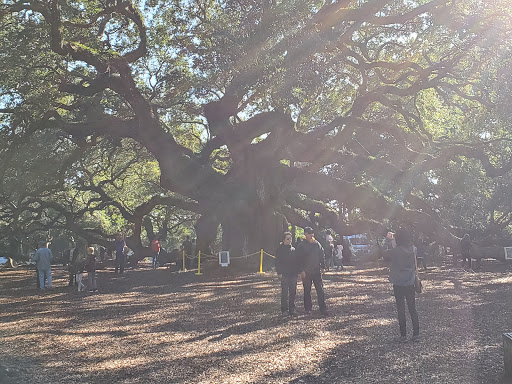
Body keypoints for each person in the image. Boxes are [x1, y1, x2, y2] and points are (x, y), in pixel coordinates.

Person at [389, 226, 420, 343]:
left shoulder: (396, 250)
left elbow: (389, 253)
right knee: (412, 308)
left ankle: (403, 335)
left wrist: (390, 239)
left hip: (398, 282)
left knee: (400, 309)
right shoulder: (414, 249)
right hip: (410, 281)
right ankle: (416, 333)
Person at [297, 227, 328, 316]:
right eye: (309, 233)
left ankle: (323, 308)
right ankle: (308, 308)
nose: (311, 235)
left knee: (320, 290)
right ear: (305, 234)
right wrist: (301, 270)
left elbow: (322, 255)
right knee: (307, 290)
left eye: (312, 233)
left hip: (316, 270)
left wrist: (323, 267)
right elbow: (298, 259)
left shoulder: (317, 244)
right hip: (306, 272)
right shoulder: (301, 245)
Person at [275, 232, 300, 316]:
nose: (289, 240)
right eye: (287, 238)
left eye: (290, 238)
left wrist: (298, 272)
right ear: (283, 239)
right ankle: (284, 310)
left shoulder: (293, 250)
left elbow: (297, 262)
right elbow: (277, 262)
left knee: (293, 292)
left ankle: (292, 309)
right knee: (284, 293)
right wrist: (279, 272)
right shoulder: (279, 250)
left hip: (293, 274)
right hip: (284, 274)